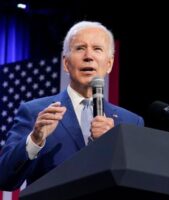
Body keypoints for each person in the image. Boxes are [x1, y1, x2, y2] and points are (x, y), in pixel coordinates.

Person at [0, 21, 144, 191]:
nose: (88, 56)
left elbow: (138, 185)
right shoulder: (35, 112)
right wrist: (35, 139)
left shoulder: (131, 122)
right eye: (80, 48)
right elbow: (4, 178)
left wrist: (114, 145)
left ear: (109, 64)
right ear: (66, 63)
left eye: (97, 49)